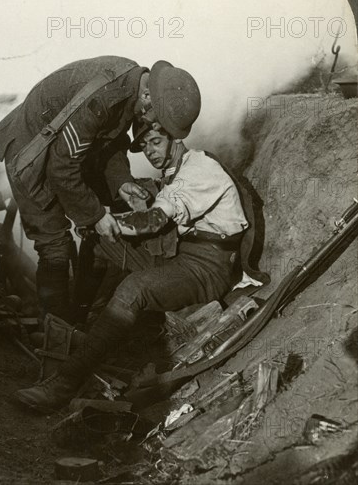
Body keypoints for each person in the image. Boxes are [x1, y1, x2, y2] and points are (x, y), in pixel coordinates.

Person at [14, 101, 255, 412]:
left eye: (156, 141)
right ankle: (78, 329)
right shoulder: (177, 170)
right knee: (96, 242)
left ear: (176, 139)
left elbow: (155, 221)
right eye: (143, 146)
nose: (150, 151)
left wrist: (105, 219)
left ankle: (63, 385)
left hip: (208, 268)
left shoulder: (199, 168)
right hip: (185, 256)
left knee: (133, 287)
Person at [0, 57, 201, 320]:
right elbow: (61, 170)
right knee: (55, 243)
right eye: (154, 119)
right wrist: (96, 216)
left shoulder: (132, 85)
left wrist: (121, 181)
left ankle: (79, 312)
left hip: (58, 148)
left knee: (106, 211)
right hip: (29, 151)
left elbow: (110, 140)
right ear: (148, 97)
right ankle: (56, 333)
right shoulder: (105, 99)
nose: (151, 126)